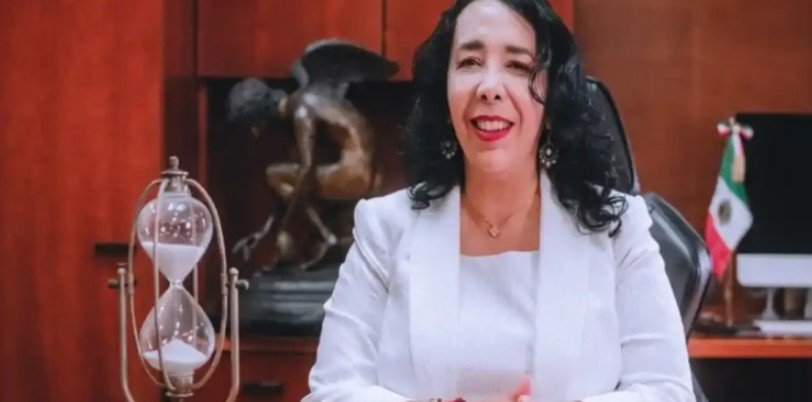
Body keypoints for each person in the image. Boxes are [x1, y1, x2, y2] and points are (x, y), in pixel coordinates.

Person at [302, 0, 694, 401]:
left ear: (552, 97)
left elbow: (666, 391)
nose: (489, 87)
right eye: (470, 62)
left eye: (518, 66)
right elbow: (331, 391)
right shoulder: (384, 228)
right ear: (445, 92)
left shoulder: (617, 229)